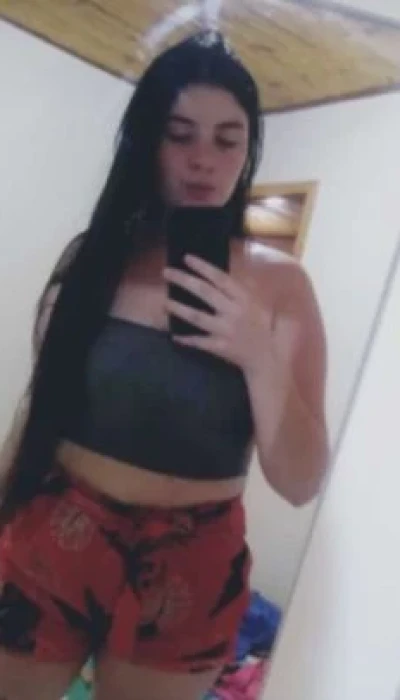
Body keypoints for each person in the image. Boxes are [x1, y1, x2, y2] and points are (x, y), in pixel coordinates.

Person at [0, 31, 329, 700]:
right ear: (147, 141)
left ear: (248, 152)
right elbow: (38, 408)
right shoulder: (93, 257)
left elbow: (299, 481)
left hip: (191, 565)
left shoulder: (282, 286)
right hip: (56, 530)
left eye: (228, 140)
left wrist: (257, 352)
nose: (203, 160)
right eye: (180, 135)